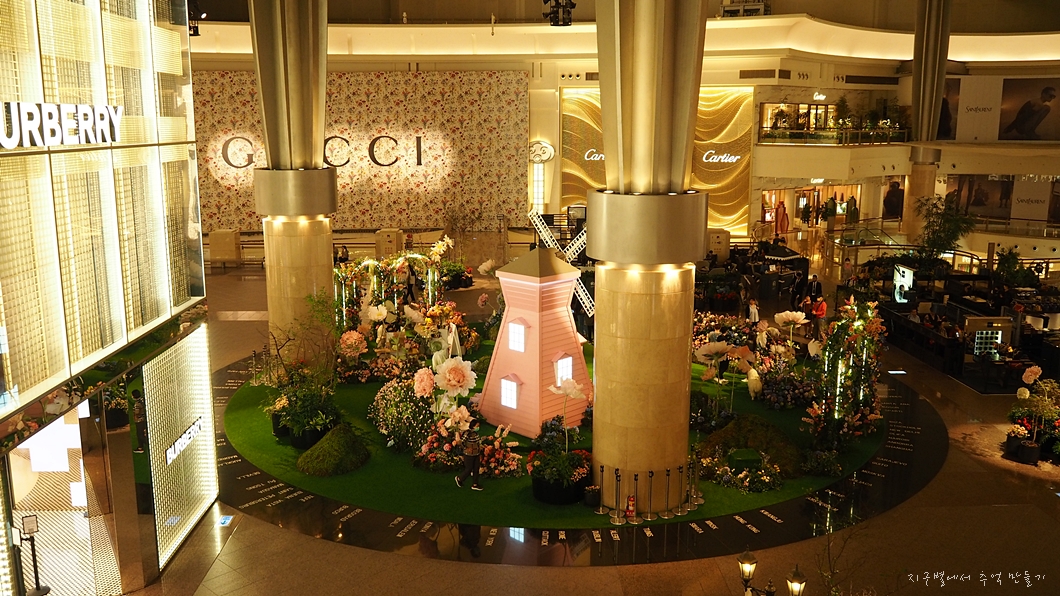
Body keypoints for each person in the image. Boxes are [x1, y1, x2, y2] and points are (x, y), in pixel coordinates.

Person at [454, 419, 484, 491]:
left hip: (476, 453)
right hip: (469, 455)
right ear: (473, 426)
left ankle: (475, 484)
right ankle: (460, 478)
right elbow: (461, 442)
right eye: (477, 426)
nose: (478, 427)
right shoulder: (467, 433)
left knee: (476, 469)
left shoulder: (476, 433)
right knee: (469, 469)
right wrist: (466, 448)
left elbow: (478, 442)